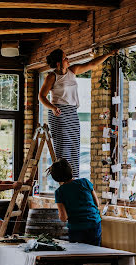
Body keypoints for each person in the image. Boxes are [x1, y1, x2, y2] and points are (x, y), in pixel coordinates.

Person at [39, 48, 118, 178]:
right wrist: (52, 107)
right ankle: (63, 177)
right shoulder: (52, 76)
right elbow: (41, 96)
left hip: (72, 112)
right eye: (65, 58)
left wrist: (108, 54)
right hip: (59, 112)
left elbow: (92, 64)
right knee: (63, 145)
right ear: (58, 63)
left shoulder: (72, 71)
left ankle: (73, 176)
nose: (68, 60)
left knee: (75, 145)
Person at [48, 158, 101, 265]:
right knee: (94, 262)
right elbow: (96, 204)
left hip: (77, 229)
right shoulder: (85, 182)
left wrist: (63, 213)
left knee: (78, 264)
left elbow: (63, 217)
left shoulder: (60, 192)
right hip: (94, 225)